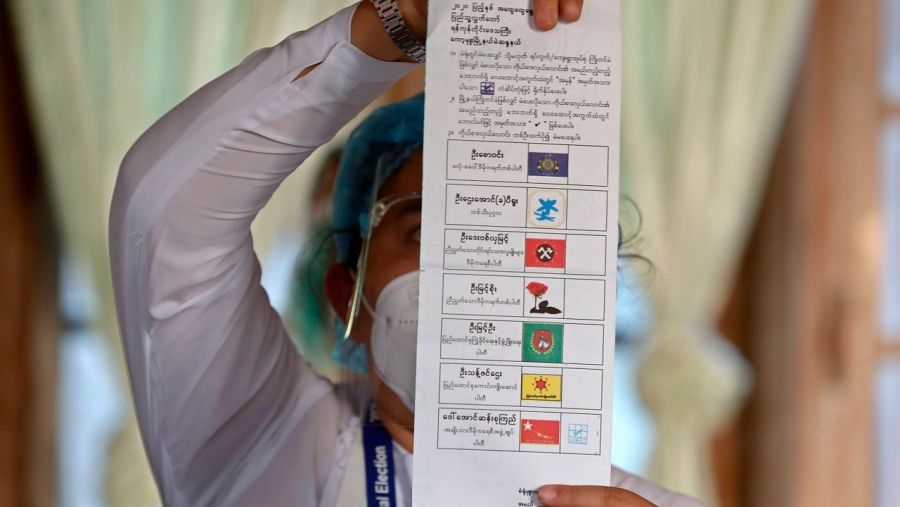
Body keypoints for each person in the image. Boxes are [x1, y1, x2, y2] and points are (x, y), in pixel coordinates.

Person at [109, 1, 704, 505]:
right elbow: (168, 215)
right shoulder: (259, 442)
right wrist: (405, 16)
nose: (473, 270)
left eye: (520, 235)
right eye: (423, 232)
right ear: (348, 297)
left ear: (592, 303)